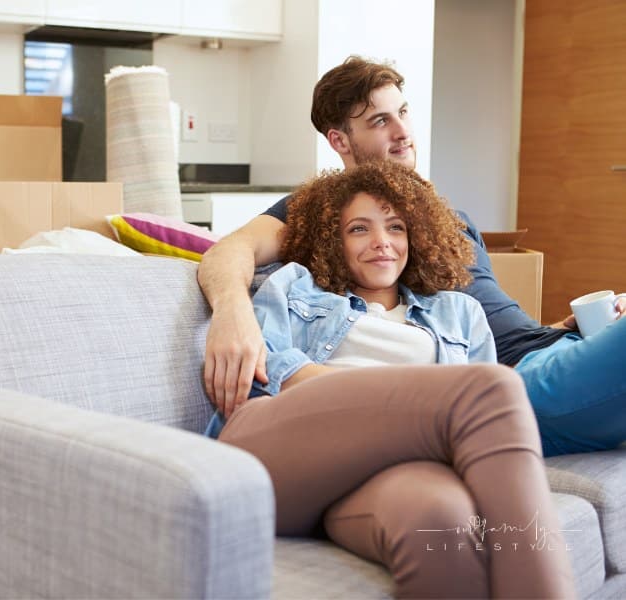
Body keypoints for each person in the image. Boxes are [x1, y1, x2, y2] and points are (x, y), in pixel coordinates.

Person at [198, 55, 626, 458]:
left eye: (403, 113)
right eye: (380, 121)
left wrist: (568, 328)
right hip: (503, 386)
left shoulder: (448, 220)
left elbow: (496, 331)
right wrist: (232, 312)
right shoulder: (322, 212)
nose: (402, 132)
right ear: (339, 140)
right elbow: (229, 251)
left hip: (549, 353)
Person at [205, 161, 575, 598]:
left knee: (442, 521)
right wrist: (403, 407)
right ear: (332, 241)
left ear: (415, 237)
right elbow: (269, 374)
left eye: (396, 228)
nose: (382, 243)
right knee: (492, 388)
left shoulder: (459, 312)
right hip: (280, 450)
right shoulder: (295, 287)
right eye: (359, 229)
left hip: (387, 472)